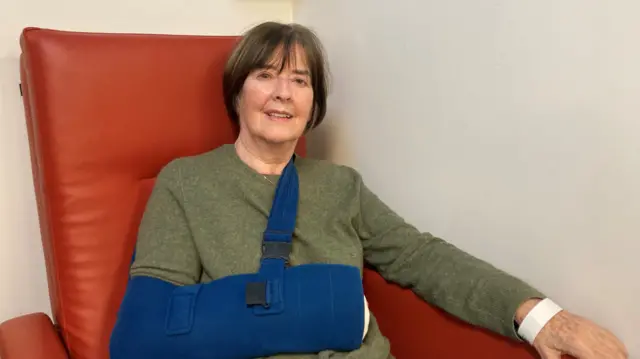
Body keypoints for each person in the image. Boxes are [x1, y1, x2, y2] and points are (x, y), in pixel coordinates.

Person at [117, 21, 628, 359]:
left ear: (314, 103)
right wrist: (328, 308)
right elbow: (147, 331)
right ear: (237, 91)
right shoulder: (185, 183)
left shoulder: (339, 185)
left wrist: (543, 318)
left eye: (300, 80)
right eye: (265, 75)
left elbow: (421, 257)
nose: (282, 93)